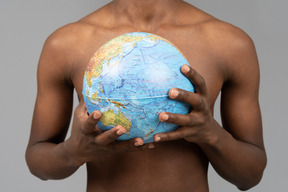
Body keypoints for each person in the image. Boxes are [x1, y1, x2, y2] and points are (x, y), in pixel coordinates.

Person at [25, 0, 267, 191]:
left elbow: (250, 176)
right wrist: (72, 152)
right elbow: (38, 162)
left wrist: (211, 134)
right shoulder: (65, 44)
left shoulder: (230, 44)